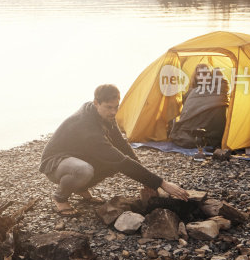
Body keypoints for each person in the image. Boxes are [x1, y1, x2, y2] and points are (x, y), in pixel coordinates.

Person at [40, 84, 189, 216]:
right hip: (55, 163)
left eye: (116, 107)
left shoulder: (104, 116)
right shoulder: (87, 126)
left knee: (112, 163)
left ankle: (81, 188)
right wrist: (161, 183)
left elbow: (122, 146)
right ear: (96, 103)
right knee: (84, 170)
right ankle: (60, 198)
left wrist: (147, 181)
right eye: (109, 107)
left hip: (78, 155)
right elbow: (119, 160)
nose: (113, 112)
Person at [168, 64, 229, 148]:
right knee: (183, 135)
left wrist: (217, 71)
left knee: (219, 109)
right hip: (194, 124)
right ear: (195, 76)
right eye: (198, 74)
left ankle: (206, 138)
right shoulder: (192, 92)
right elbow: (186, 110)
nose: (201, 77)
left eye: (205, 74)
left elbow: (224, 84)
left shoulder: (218, 89)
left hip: (213, 126)